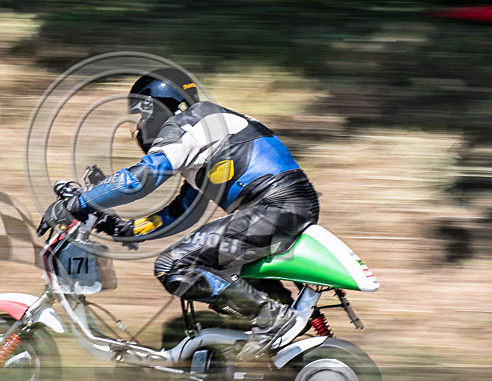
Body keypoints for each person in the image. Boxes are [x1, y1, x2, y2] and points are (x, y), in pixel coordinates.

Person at [38, 68, 320, 351]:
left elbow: (140, 179)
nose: (138, 127)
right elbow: (183, 211)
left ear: (158, 107)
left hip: (274, 207)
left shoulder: (188, 123)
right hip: (284, 207)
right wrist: (123, 228)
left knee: (173, 265)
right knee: (213, 272)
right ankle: (273, 319)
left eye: (140, 115)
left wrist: (78, 203)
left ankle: (272, 317)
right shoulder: (207, 129)